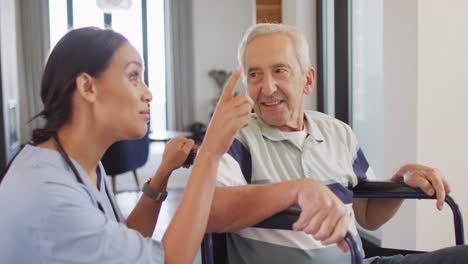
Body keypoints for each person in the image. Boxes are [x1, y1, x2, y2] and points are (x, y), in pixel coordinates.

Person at [207, 23, 468, 264]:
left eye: (280, 70)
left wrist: (400, 179)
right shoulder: (235, 137)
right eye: (254, 74)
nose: (267, 87)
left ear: (307, 80)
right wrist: (296, 190)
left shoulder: (338, 133)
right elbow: (209, 212)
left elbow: (367, 216)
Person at [0, 27, 253, 263]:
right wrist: (210, 152)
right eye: (133, 76)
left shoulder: (81, 163)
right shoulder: (51, 194)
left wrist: (162, 174)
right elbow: (170, 259)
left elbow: (123, 240)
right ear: (88, 87)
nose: (148, 94)